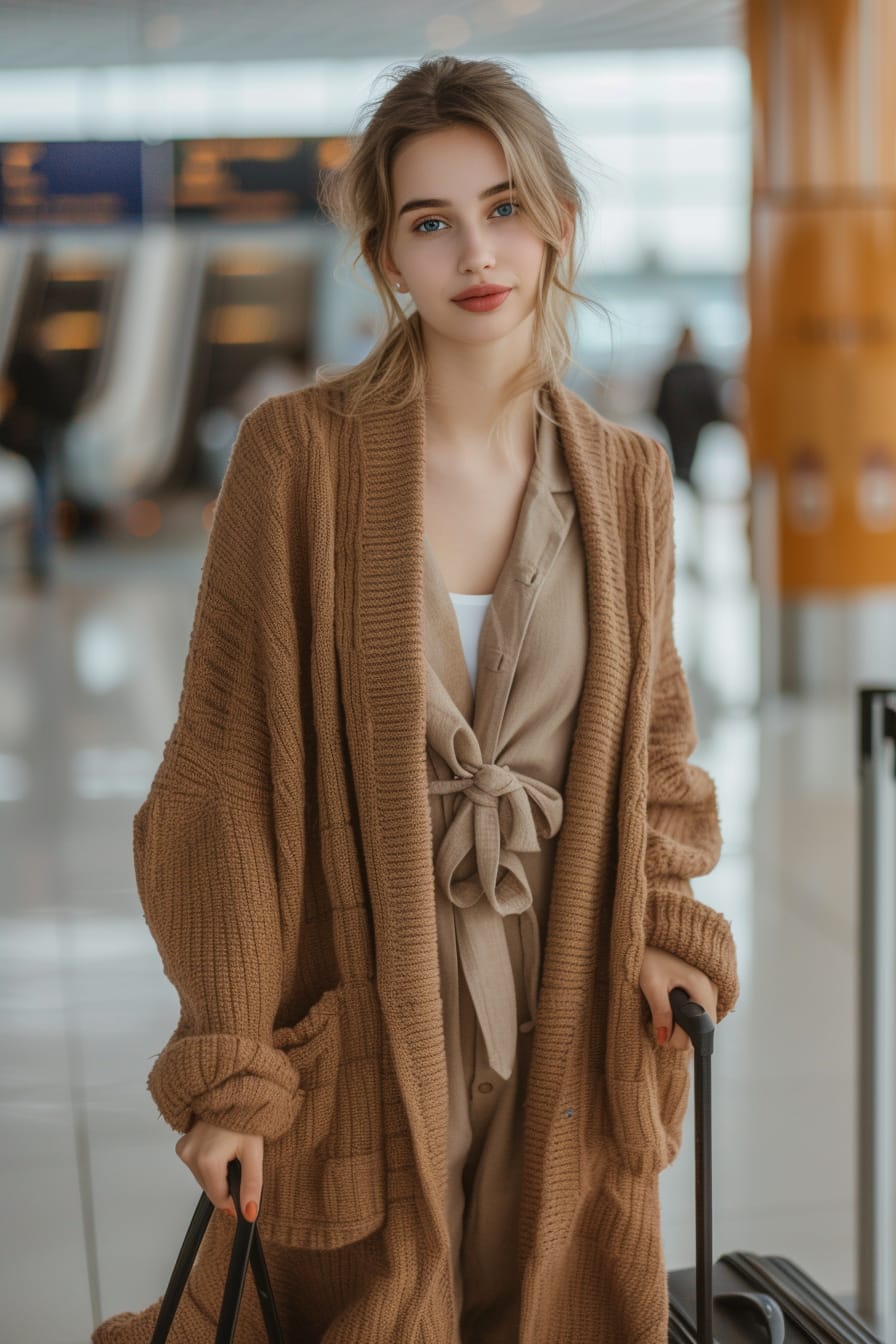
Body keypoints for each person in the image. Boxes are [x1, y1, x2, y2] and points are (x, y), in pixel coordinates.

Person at [93, 56, 738, 1344]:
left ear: (558, 223)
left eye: (503, 208)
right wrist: (231, 1061)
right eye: (429, 222)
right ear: (387, 256)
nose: (474, 252)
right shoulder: (301, 457)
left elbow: (656, 740)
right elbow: (218, 776)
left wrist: (664, 918)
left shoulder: (622, 478)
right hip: (367, 1001)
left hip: (567, 991)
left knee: (559, 1299)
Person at [0, 313, 77, 585]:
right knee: (42, 496)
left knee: (42, 496)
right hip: (37, 438)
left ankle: (39, 559)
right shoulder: (34, 362)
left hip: (34, 437)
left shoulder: (24, 362)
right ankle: (39, 558)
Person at [652, 323, 725, 488]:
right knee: (692, 463)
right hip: (695, 427)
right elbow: (712, 406)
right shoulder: (702, 372)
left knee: (683, 464)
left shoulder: (671, 373)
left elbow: (659, 407)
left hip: (676, 427)